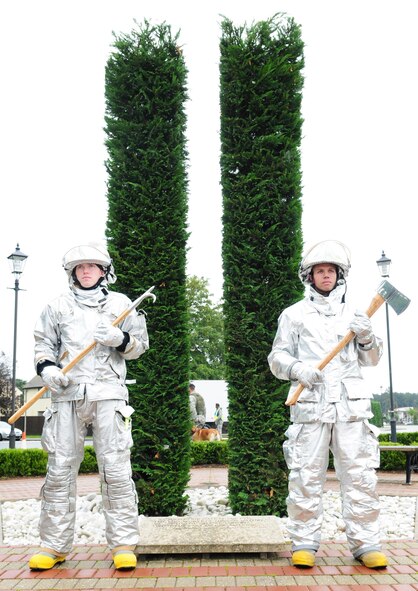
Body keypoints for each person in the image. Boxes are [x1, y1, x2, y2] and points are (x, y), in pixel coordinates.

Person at [268, 240, 388, 570]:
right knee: (305, 475)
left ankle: (366, 542)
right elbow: (277, 358)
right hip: (310, 406)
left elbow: (373, 359)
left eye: (330, 271)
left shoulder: (357, 314)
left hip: (351, 408)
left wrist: (366, 337)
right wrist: (298, 369)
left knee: (360, 475)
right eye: (319, 271)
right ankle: (304, 540)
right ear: (309, 276)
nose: (325, 276)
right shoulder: (292, 315)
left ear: (339, 275)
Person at [29, 243, 149, 572]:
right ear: (72, 273)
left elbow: (140, 346)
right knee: (59, 471)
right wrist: (48, 370)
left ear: (103, 271)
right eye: (79, 267)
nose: (85, 271)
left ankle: (123, 543)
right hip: (67, 397)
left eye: (92, 266)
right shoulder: (56, 306)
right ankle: (53, 545)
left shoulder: (122, 304)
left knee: (116, 470)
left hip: (109, 396)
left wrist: (118, 339)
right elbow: (43, 344)